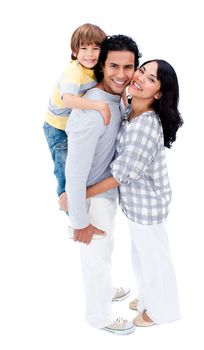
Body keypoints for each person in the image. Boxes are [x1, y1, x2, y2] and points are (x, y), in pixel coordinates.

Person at [86, 59, 183, 327]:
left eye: (151, 79)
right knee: (141, 256)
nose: (140, 78)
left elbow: (120, 174)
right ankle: (147, 300)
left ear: (159, 93)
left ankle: (161, 311)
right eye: (142, 71)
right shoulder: (131, 109)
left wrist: (82, 192)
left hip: (148, 204)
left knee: (154, 260)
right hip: (137, 204)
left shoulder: (145, 125)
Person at [65, 35, 141, 335]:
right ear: (101, 65)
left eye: (128, 67)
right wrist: (80, 222)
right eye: (113, 66)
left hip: (104, 195)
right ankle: (100, 316)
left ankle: (106, 290)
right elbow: (73, 170)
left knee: (104, 251)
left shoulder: (114, 98)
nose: (121, 74)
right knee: (95, 259)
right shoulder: (93, 110)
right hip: (90, 199)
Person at [43, 23, 108, 212]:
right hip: (57, 127)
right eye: (84, 48)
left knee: (78, 166)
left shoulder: (96, 68)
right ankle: (70, 210)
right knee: (65, 169)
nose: (90, 54)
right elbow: (68, 100)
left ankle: (77, 201)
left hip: (71, 124)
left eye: (96, 48)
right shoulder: (74, 72)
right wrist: (99, 106)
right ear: (74, 51)